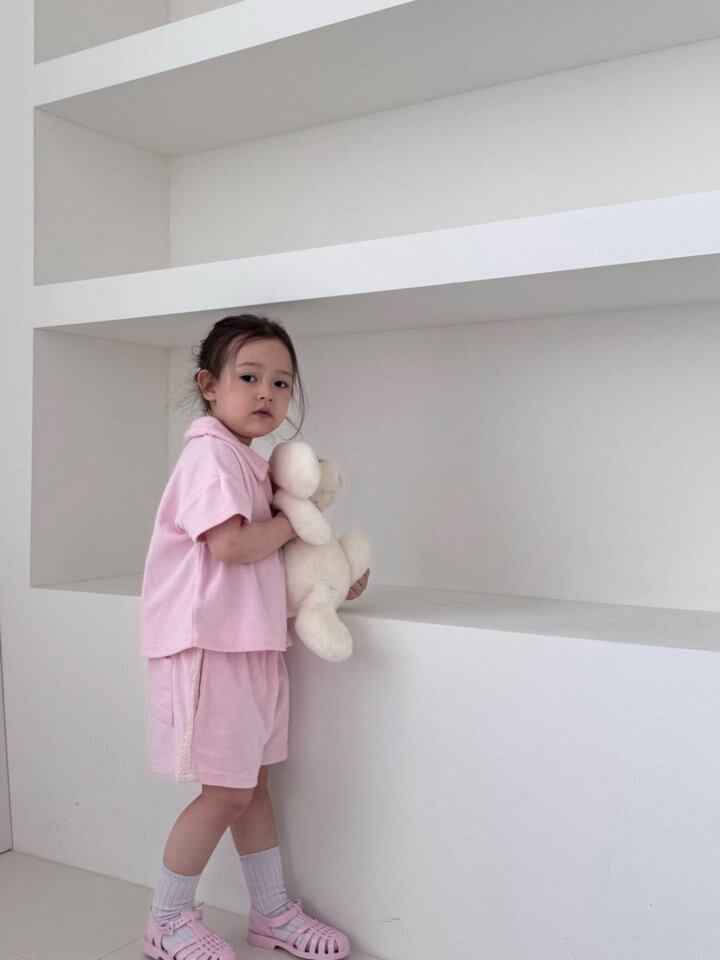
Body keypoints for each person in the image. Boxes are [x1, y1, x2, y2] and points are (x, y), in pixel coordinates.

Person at [139, 313, 370, 960]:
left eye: (281, 382)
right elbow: (233, 546)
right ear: (209, 385)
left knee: (252, 785)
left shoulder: (250, 462)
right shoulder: (210, 456)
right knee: (226, 791)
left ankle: (271, 913)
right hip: (208, 646)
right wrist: (302, 524)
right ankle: (166, 921)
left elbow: (270, 562)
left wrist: (331, 579)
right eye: (249, 377)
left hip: (251, 642)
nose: (267, 392)